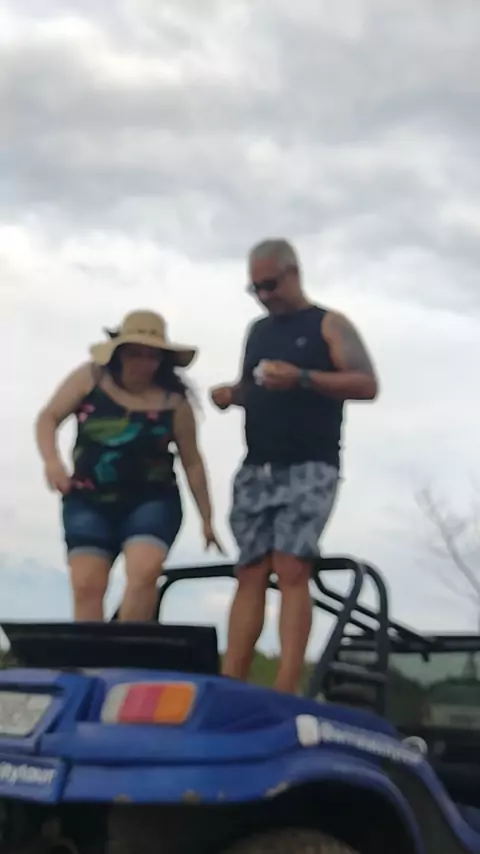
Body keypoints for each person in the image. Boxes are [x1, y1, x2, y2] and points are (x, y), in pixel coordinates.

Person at [210, 239, 379, 694]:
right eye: (256, 288)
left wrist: (302, 377)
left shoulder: (328, 323)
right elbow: (252, 386)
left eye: (270, 285)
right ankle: (232, 682)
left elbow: (366, 384)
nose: (265, 295)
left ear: (293, 273)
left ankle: (286, 686)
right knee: (249, 569)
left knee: (291, 566)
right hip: (257, 464)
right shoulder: (258, 331)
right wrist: (232, 395)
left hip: (310, 464)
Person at [35, 309, 222, 622]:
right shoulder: (90, 378)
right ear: (119, 353)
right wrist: (52, 462)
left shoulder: (174, 403)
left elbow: (192, 462)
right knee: (86, 585)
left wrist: (207, 518)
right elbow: (48, 417)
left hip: (151, 499)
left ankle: (129, 644)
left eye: (152, 356)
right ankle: (91, 650)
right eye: (135, 353)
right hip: (88, 498)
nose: (143, 363)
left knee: (144, 572)